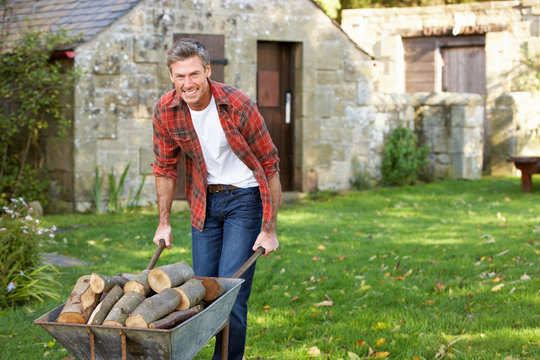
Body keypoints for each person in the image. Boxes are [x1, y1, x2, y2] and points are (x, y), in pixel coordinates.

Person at [151, 38, 281, 360]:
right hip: (204, 203)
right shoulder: (167, 110)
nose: (187, 83)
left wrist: (270, 227)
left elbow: (270, 164)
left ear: (208, 71)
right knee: (203, 293)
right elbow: (165, 168)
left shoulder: (237, 104)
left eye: (194, 74)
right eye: (180, 76)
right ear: (171, 77)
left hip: (245, 200)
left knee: (231, 295)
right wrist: (163, 223)